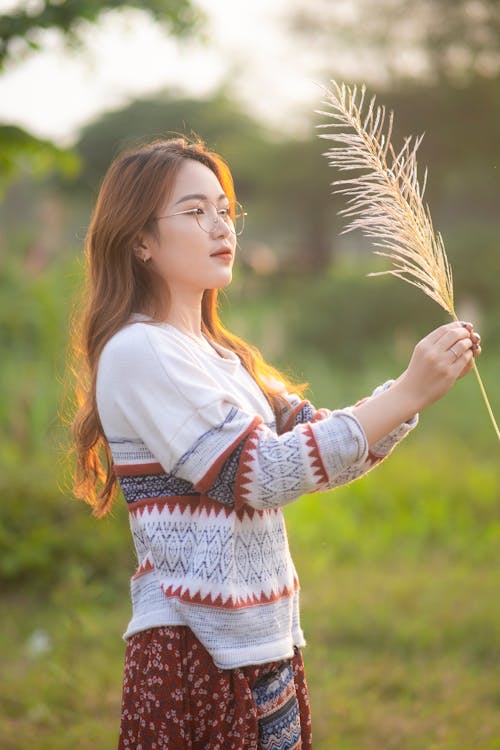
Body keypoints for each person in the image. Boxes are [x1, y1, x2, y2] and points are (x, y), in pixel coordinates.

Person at [71, 137, 481, 750]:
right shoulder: (139, 351)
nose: (220, 226)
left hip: (265, 638)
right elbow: (259, 473)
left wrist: (409, 392)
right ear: (140, 241)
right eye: (194, 211)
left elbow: (320, 447)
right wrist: (407, 393)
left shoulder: (224, 356)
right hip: (196, 644)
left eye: (224, 209)